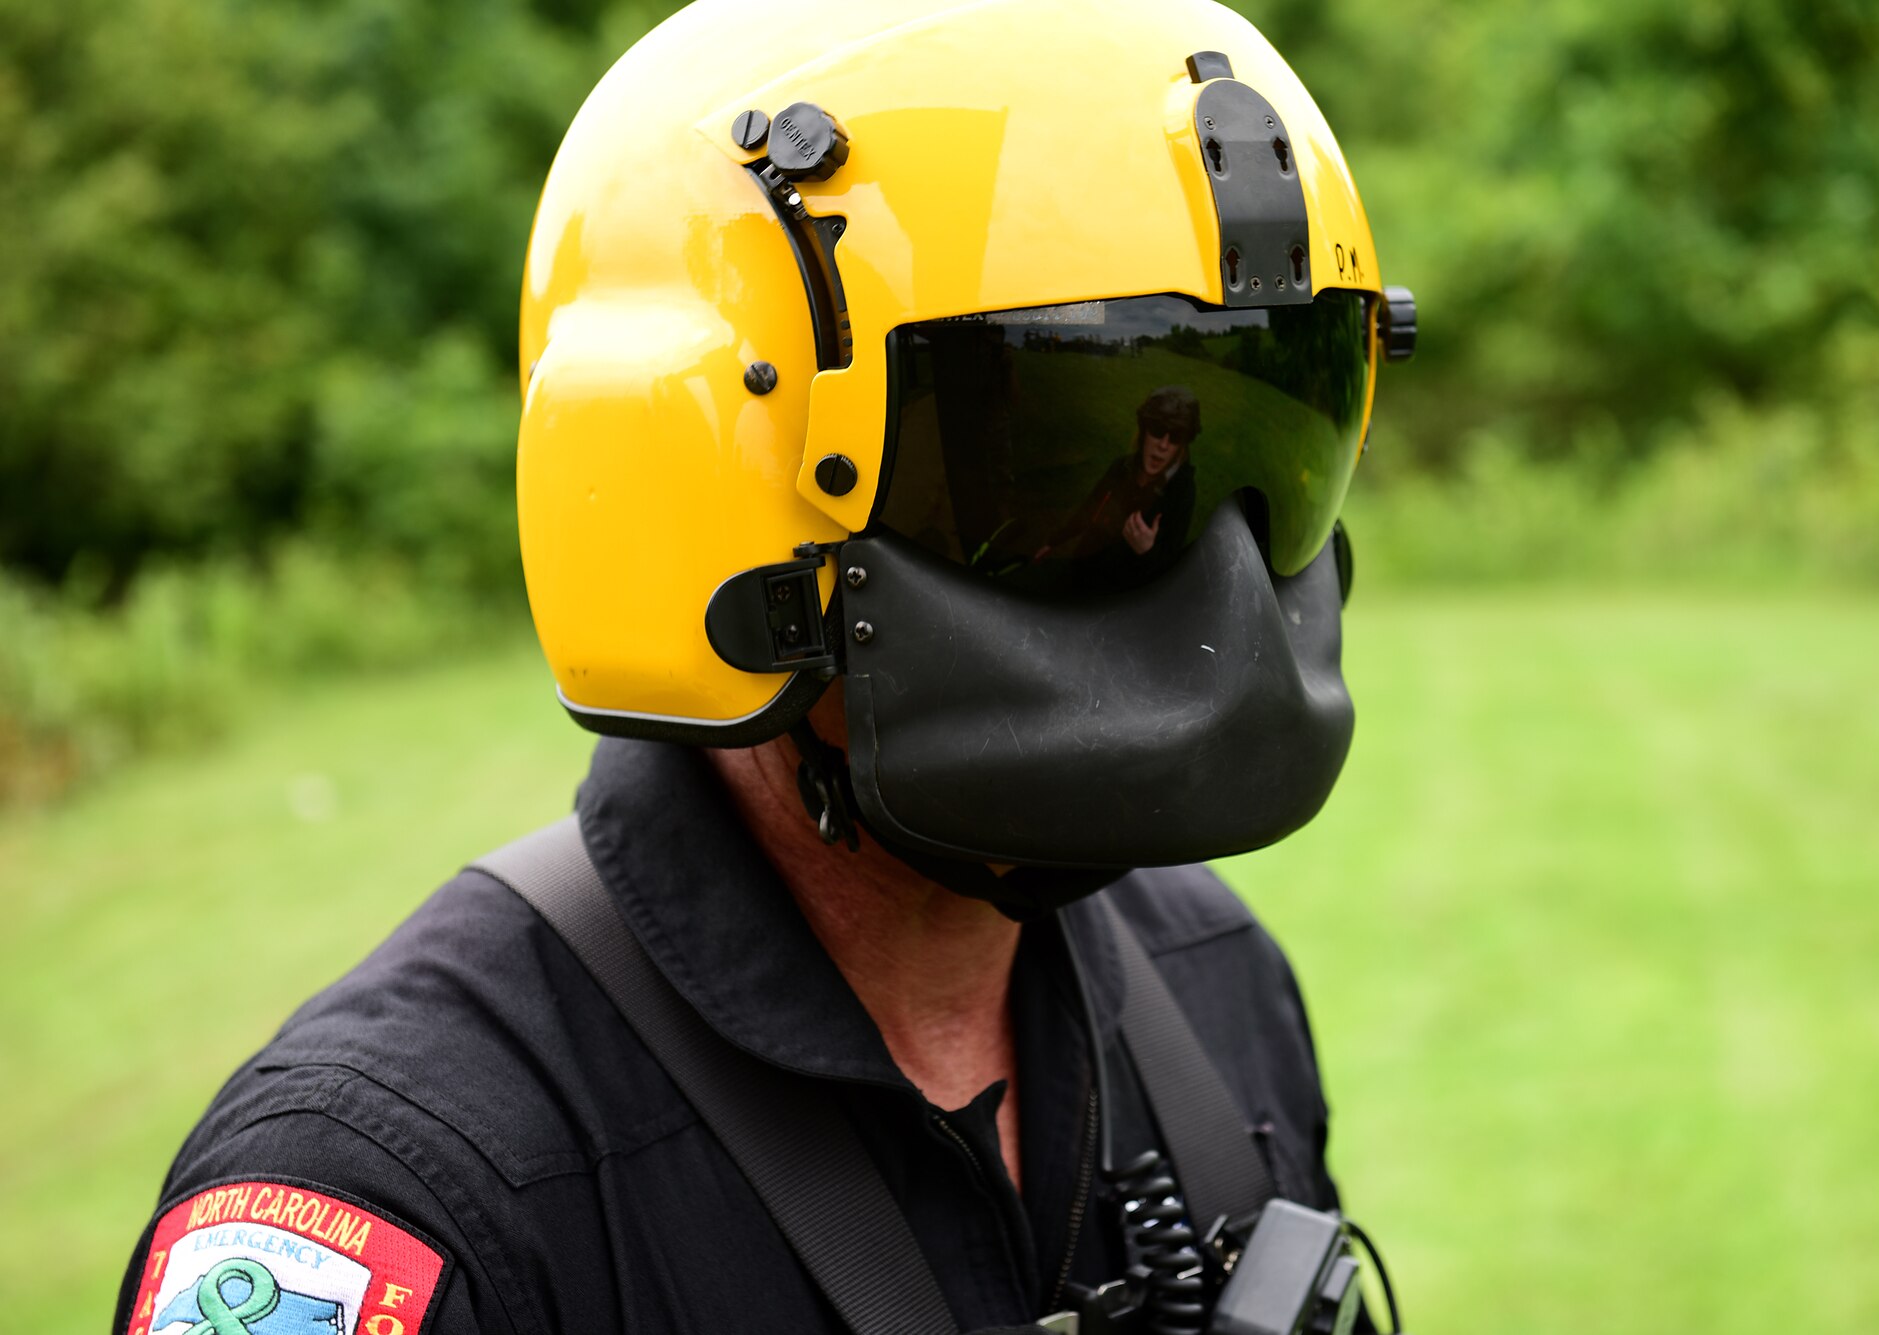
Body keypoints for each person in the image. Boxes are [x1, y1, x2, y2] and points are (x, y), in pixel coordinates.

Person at [112, 2, 1417, 1333]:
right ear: (700, 484)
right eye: (1043, 463)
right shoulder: (381, 1200)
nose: (1211, 586)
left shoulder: (1213, 974)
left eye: (1260, 454)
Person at [1036, 387, 1201, 588]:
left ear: (1181, 445)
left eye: (1175, 437)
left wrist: (1147, 551)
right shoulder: (1122, 467)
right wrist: (1054, 541)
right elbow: (1090, 508)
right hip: (1082, 569)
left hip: (1118, 596)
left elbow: (1169, 572)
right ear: (1144, 431)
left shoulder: (1181, 492)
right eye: (1157, 431)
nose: (1164, 445)